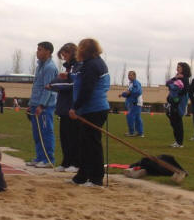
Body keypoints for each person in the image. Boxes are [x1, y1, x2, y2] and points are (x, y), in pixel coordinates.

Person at [68, 38, 110, 187]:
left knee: (92, 144)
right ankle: (82, 176)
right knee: (84, 144)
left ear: (84, 50)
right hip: (91, 108)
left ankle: (96, 178)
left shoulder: (92, 65)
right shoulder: (93, 63)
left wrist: (75, 107)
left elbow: (87, 89)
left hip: (94, 109)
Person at [47, 43, 79, 173]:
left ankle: (76, 163)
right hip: (63, 106)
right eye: (62, 54)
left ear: (72, 52)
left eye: (65, 53)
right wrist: (55, 83)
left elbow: (71, 84)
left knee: (73, 137)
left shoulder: (77, 67)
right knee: (64, 136)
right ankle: (66, 162)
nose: (63, 56)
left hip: (72, 106)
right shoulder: (67, 68)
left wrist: (54, 85)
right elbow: (58, 80)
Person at [25, 42, 58, 168]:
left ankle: (48, 159)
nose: (37, 52)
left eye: (40, 49)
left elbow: (48, 89)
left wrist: (42, 105)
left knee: (45, 132)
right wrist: (31, 104)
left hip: (45, 106)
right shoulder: (40, 66)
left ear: (48, 52)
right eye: (37, 49)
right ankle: (39, 157)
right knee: (37, 133)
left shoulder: (50, 67)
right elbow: (36, 87)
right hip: (35, 103)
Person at [165, 62, 191, 148]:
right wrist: (175, 79)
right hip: (173, 103)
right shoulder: (177, 78)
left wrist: (174, 89)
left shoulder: (185, 79)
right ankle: (177, 141)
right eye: (177, 67)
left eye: (179, 67)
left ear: (184, 68)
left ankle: (179, 142)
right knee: (173, 122)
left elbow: (184, 91)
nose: (177, 68)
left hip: (178, 104)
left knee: (177, 122)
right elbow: (167, 83)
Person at [119, 71, 144, 137]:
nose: (129, 76)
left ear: (134, 76)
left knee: (130, 116)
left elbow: (138, 92)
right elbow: (128, 93)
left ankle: (131, 132)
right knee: (137, 118)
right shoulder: (131, 83)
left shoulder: (136, 83)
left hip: (135, 103)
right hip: (135, 103)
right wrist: (123, 94)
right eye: (128, 75)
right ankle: (140, 133)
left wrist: (128, 93)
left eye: (131, 75)